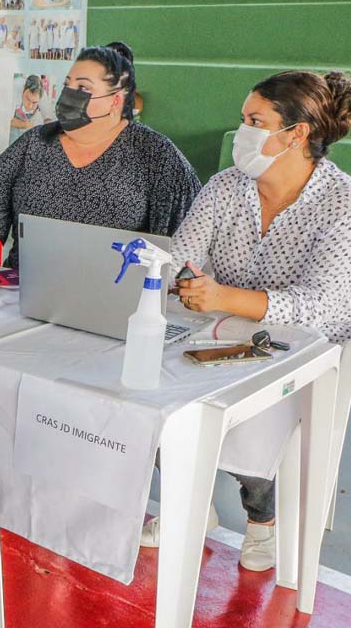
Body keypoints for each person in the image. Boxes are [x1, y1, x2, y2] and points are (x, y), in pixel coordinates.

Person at [138, 70, 351, 572]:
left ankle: (262, 523)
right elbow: (184, 254)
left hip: (308, 347)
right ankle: (189, 504)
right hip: (222, 328)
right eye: (243, 120)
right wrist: (161, 268)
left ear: (296, 133)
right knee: (145, 389)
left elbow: (324, 307)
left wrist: (223, 297)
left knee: (254, 416)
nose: (244, 132)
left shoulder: (342, 201)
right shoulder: (225, 186)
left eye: (256, 121)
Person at [0, 42, 200, 273]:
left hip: (116, 302)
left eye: (84, 89)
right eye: (68, 85)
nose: (70, 95)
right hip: (26, 292)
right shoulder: (36, 143)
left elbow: (185, 243)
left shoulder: (157, 156)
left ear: (116, 100)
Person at [10, 74, 53, 143]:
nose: (30, 106)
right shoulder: (14, 88)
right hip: (12, 124)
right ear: (24, 88)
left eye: (34, 102)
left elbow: (48, 118)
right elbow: (6, 120)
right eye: (27, 99)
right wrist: (26, 125)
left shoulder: (41, 93)